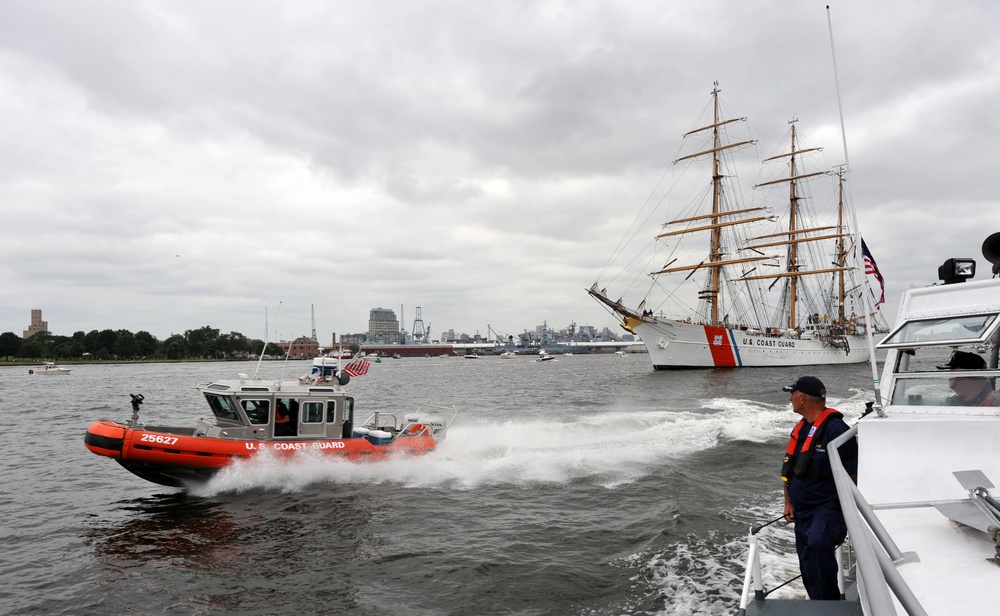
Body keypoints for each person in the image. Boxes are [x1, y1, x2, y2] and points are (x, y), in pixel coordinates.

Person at [780, 375, 858, 601]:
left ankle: (829, 608)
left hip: (827, 509)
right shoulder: (801, 428)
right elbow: (790, 471)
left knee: (817, 544)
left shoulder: (836, 430)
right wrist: (788, 502)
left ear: (802, 398)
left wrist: (849, 512)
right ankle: (819, 605)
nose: (790, 398)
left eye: (792, 394)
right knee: (809, 569)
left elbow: (854, 474)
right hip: (802, 512)